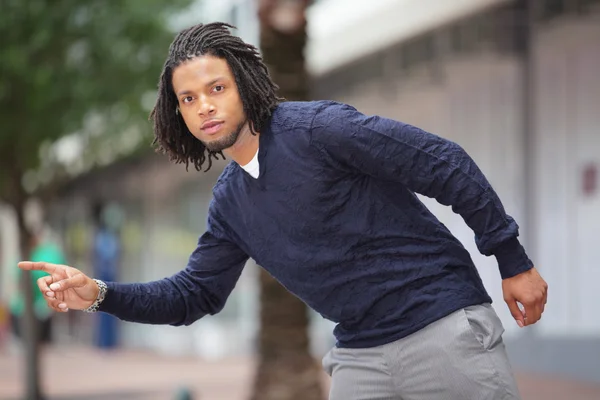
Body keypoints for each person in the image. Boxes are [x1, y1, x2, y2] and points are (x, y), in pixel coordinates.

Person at [19, 22, 548, 400]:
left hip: (441, 326)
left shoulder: (318, 130)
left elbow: (442, 163)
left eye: (216, 88)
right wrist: (101, 295)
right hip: (361, 356)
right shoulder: (230, 204)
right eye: (187, 99)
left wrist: (512, 260)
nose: (203, 106)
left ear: (244, 87)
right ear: (175, 113)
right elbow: (194, 293)